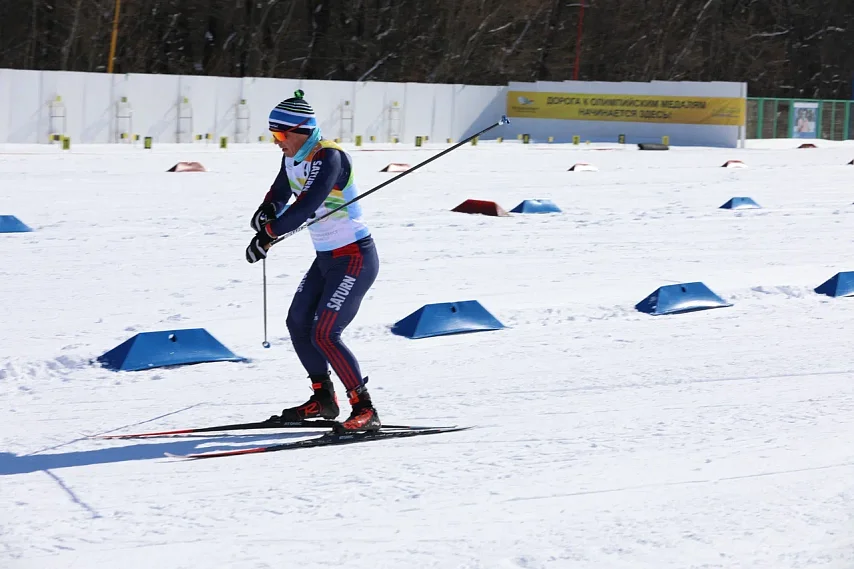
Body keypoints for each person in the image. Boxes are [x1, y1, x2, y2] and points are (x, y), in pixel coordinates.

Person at [245, 90, 381, 432]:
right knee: (298, 322)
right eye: (273, 135)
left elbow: (305, 206)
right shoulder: (293, 155)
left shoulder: (328, 157)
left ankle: (364, 408)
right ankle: (323, 398)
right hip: (325, 258)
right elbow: (281, 191)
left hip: (354, 257)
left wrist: (268, 235)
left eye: (280, 135)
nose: (277, 142)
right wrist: (265, 213)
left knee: (325, 332)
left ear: (301, 131)